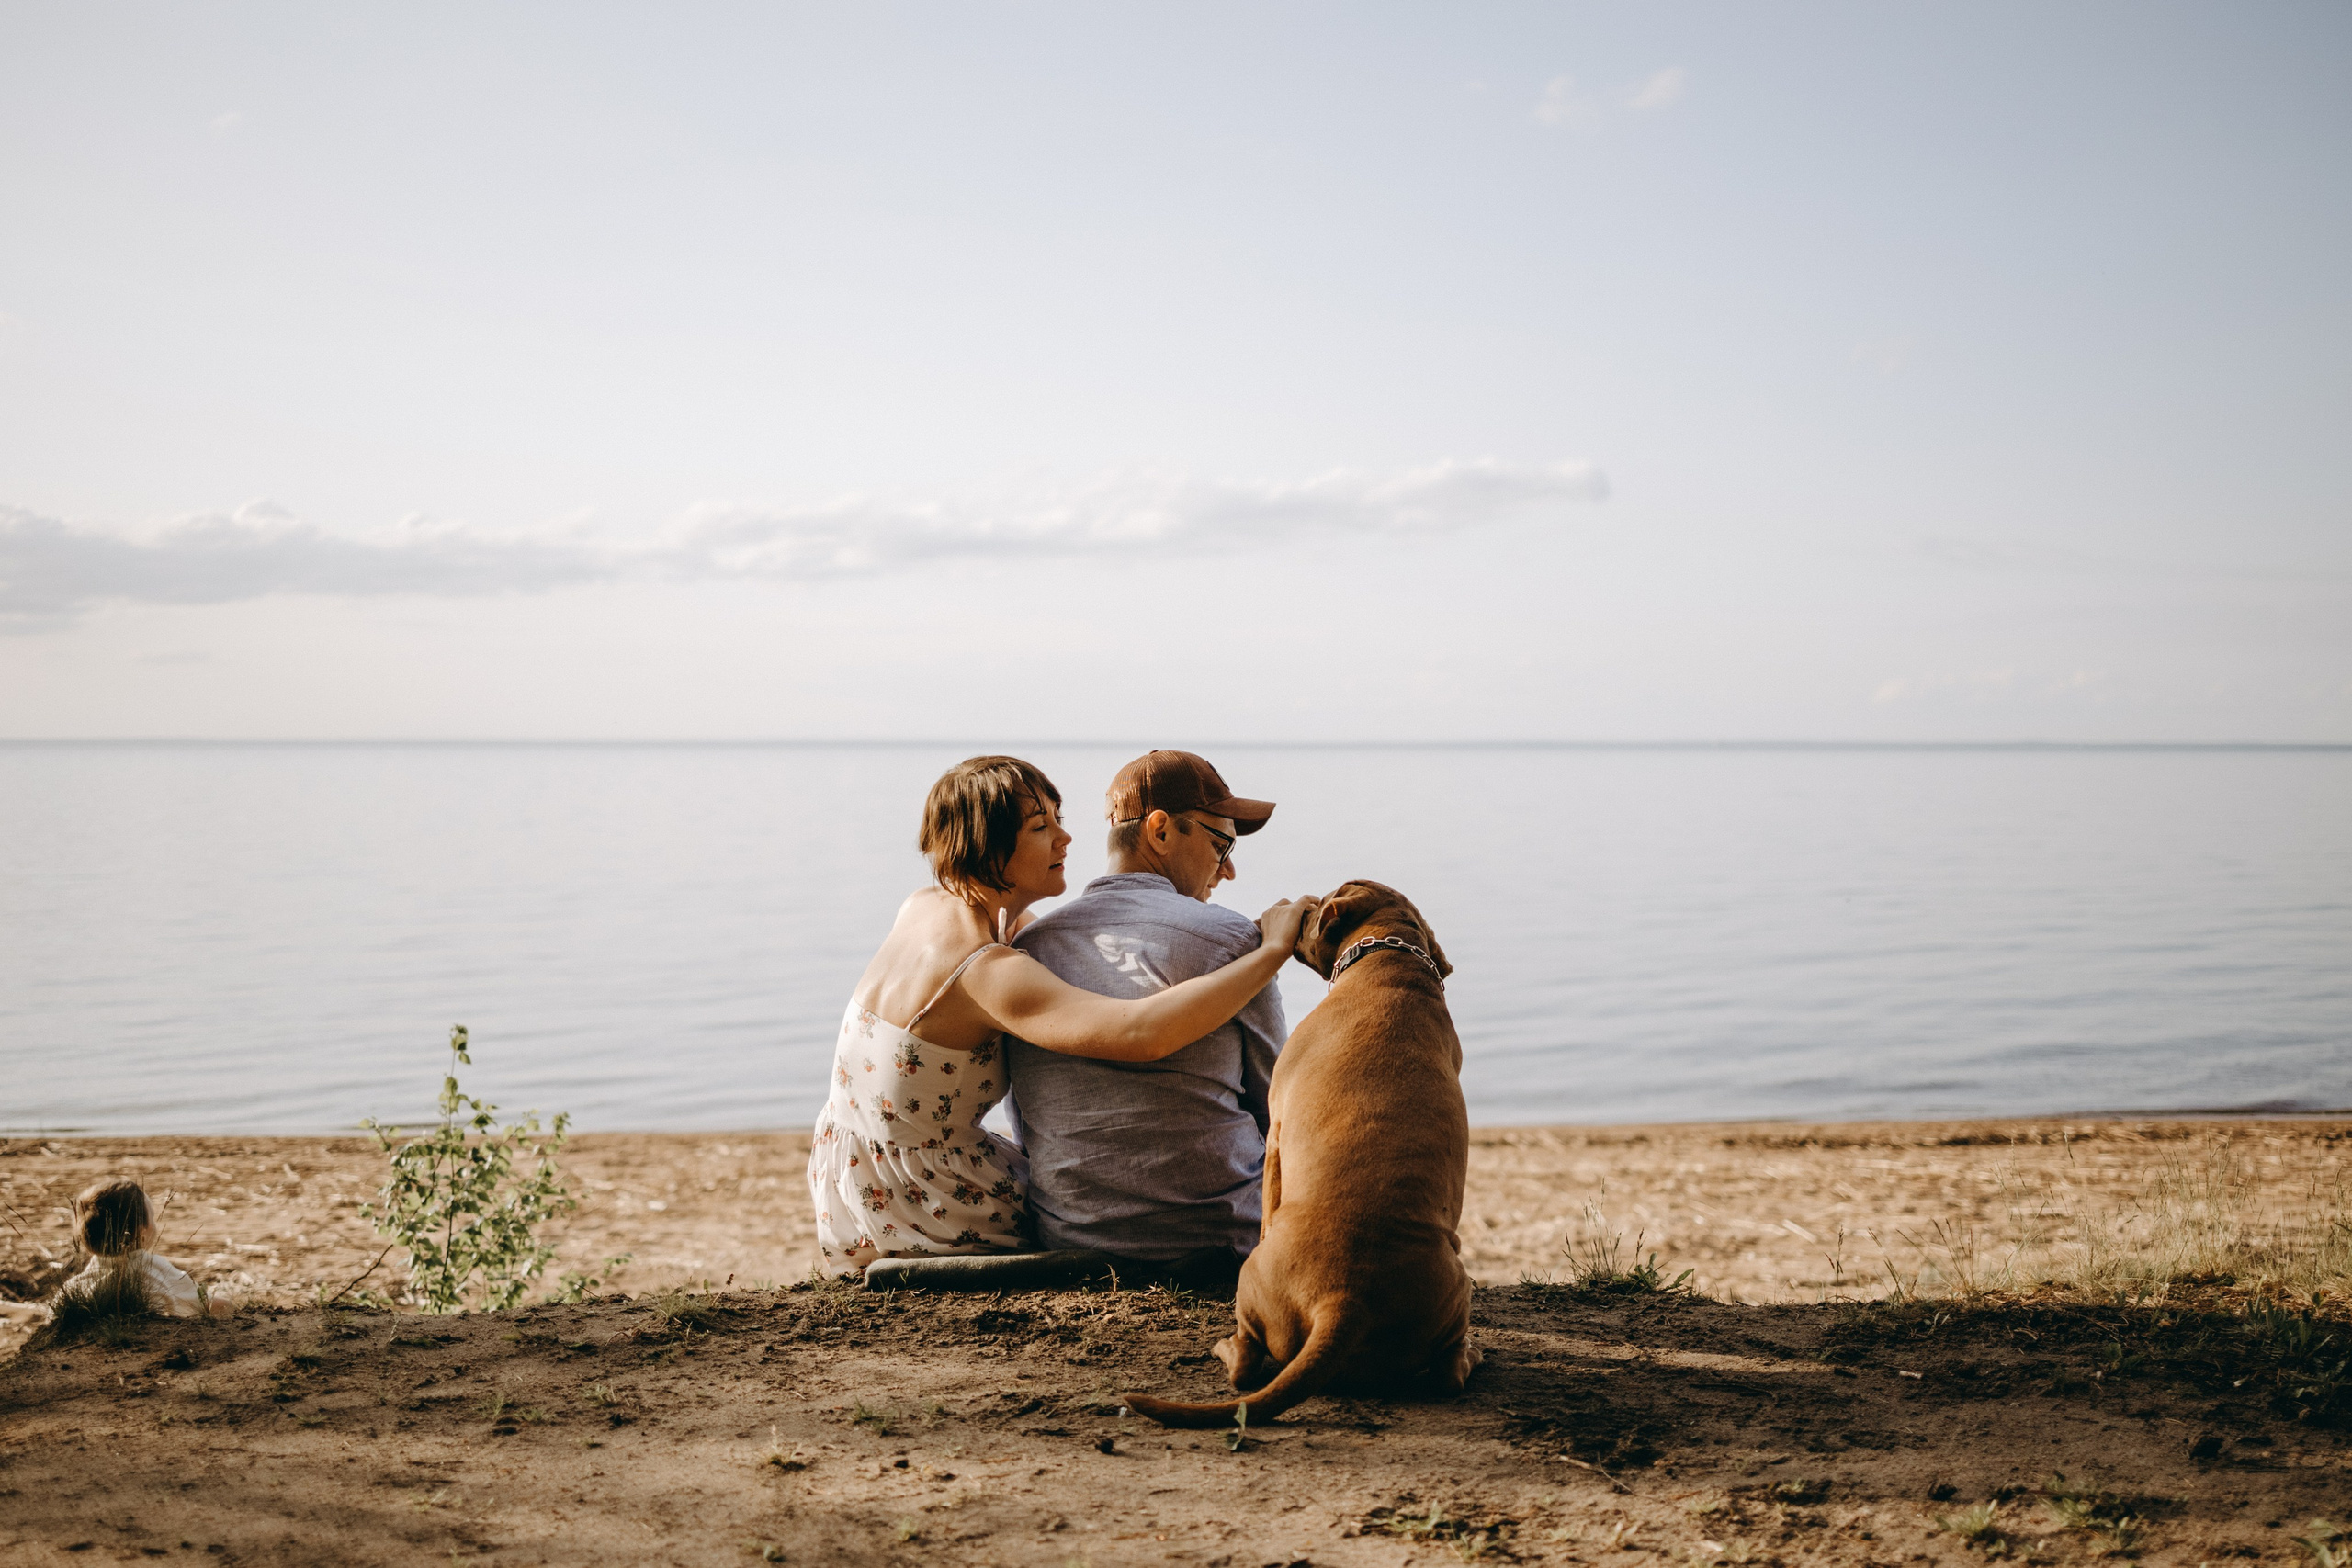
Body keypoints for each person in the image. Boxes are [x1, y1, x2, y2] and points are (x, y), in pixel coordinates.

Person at [807, 755, 1314, 1279]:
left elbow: (1045, 932)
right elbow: (1141, 1032)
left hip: (850, 1177)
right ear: (983, 846)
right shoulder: (988, 972)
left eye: (1060, 819)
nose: (1066, 839)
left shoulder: (927, 907)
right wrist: (1270, 950)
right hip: (927, 1198)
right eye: (1039, 827)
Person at [997, 750, 1287, 1293]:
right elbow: (1279, 1111)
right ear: (1160, 830)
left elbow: (1027, 1119)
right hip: (1220, 1243)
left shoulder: (1026, 950)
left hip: (1073, 1239)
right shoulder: (1232, 942)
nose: (1228, 869)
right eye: (1221, 845)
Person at [57, 1179, 227, 1318]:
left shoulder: (74, 1287)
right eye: (152, 1216)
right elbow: (200, 1303)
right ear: (141, 1232)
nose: (154, 1220)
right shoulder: (154, 1270)